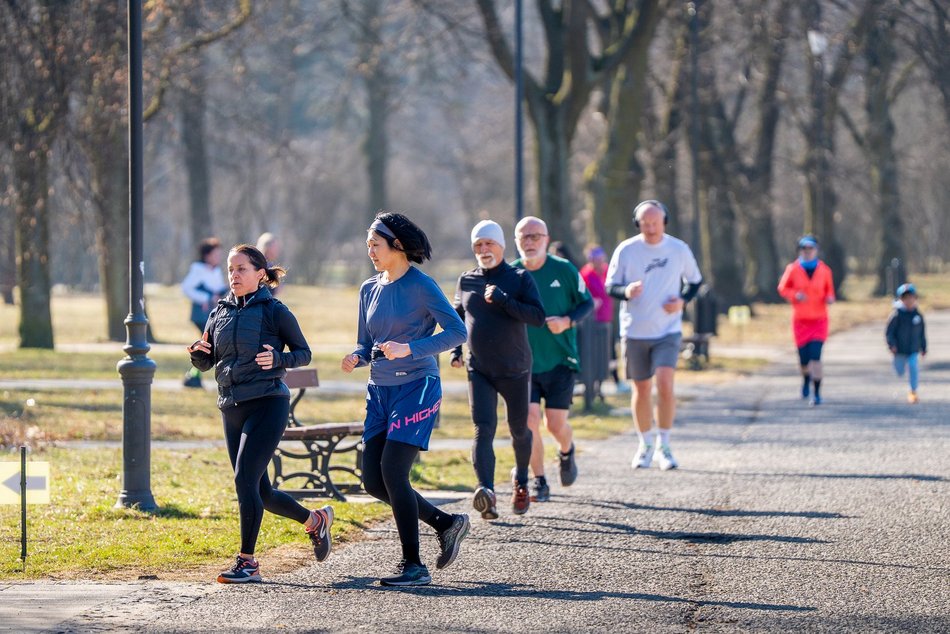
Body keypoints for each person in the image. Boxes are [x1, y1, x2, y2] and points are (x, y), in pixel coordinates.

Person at [187, 244, 333, 584]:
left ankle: (248, 562)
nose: (234, 275)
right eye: (230, 269)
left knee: (243, 480)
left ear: (260, 275)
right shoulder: (218, 312)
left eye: (241, 269)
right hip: (231, 406)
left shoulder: (274, 311)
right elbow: (209, 361)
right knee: (261, 492)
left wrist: (279, 360)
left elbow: (303, 352)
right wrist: (197, 354)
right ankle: (315, 521)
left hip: (268, 403)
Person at [341, 212, 469, 587]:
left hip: (417, 387)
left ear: (397, 246)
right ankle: (446, 523)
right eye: (368, 245)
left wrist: (410, 348)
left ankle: (413, 565)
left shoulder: (421, 285)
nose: (370, 252)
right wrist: (357, 355)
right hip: (379, 391)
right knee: (373, 482)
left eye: (375, 245)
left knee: (394, 471)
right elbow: (366, 342)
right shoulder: (369, 288)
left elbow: (457, 332)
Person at [451, 220, 546, 519]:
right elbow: (458, 318)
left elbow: (538, 317)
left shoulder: (519, 278)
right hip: (478, 368)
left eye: (489, 243)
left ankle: (521, 480)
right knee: (483, 428)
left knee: (519, 430)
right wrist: (455, 350)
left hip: (515, 368)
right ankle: (487, 493)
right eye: (478, 245)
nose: (483, 249)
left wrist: (505, 301)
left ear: (502, 246)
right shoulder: (466, 280)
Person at [605, 200, 702, 471]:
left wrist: (682, 301)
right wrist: (626, 291)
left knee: (666, 383)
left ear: (664, 222)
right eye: (644, 223)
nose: (650, 228)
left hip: (667, 330)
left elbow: (694, 282)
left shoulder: (678, 248)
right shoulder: (626, 250)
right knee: (642, 388)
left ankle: (665, 444)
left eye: (654, 223)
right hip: (635, 330)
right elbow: (611, 286)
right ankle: (645, 444)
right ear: (638, 224)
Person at [512, 216, 593, 502]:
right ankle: (539, 481)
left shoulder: (564, 269)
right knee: (530, 421)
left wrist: (568, 321)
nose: (530, 242)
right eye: (524, 237)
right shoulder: (511, 274)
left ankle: (567, 451)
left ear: (546, 239)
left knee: (555, 425)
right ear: (516, 242)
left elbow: (588, 303)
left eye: (536, 236)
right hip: (524, 363)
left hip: (560, 360)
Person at [778, 235, 836, 406]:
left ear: (816, 250)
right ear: (800, 250)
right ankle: (805, 379)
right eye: (804, 249)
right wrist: (795, 295)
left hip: (819, 320)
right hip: (800, 321)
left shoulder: (825, 271)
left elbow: (830, 292)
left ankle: (816, 393)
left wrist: (830, 298)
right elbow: (782, 288)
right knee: (804, 360)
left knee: (816, 357)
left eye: (811, 249)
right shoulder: (793, 269)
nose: (808, 252)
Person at [580, 245, 628, 395]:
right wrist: (590, 301)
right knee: (594, 355)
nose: (599, 263)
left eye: (601, 259)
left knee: (612, 351)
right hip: (592, 322)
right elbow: (580, 295)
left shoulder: (608, 271)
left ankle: (616, 381)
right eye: (595, 260)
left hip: (608, 318)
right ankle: (594, 387)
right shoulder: (585, 275)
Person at [181, 237, 228, 388]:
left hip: (213, 313)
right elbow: (186, 288)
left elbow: (218, 288)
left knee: (209, 345)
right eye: (216, 254)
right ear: (207, 255)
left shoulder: (216, 271)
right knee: (208, 344)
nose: (218, 257)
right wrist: (206, 297)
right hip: (201, 315)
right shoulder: (198, 270)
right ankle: (193, 376)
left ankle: (193, 376)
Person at [886, 283, 927, 404]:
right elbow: (889, 332)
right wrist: (891, 344)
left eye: (911, 297)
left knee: (913, 366)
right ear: (901, 299)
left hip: (913, 349)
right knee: (900, 371)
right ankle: (901, 368)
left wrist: (924, 347)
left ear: (915, 298)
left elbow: (922, 333)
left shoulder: (918, 315)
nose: (909, 300)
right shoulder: (896, 315)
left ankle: (913, 391)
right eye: (905, 298)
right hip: (899, 350)